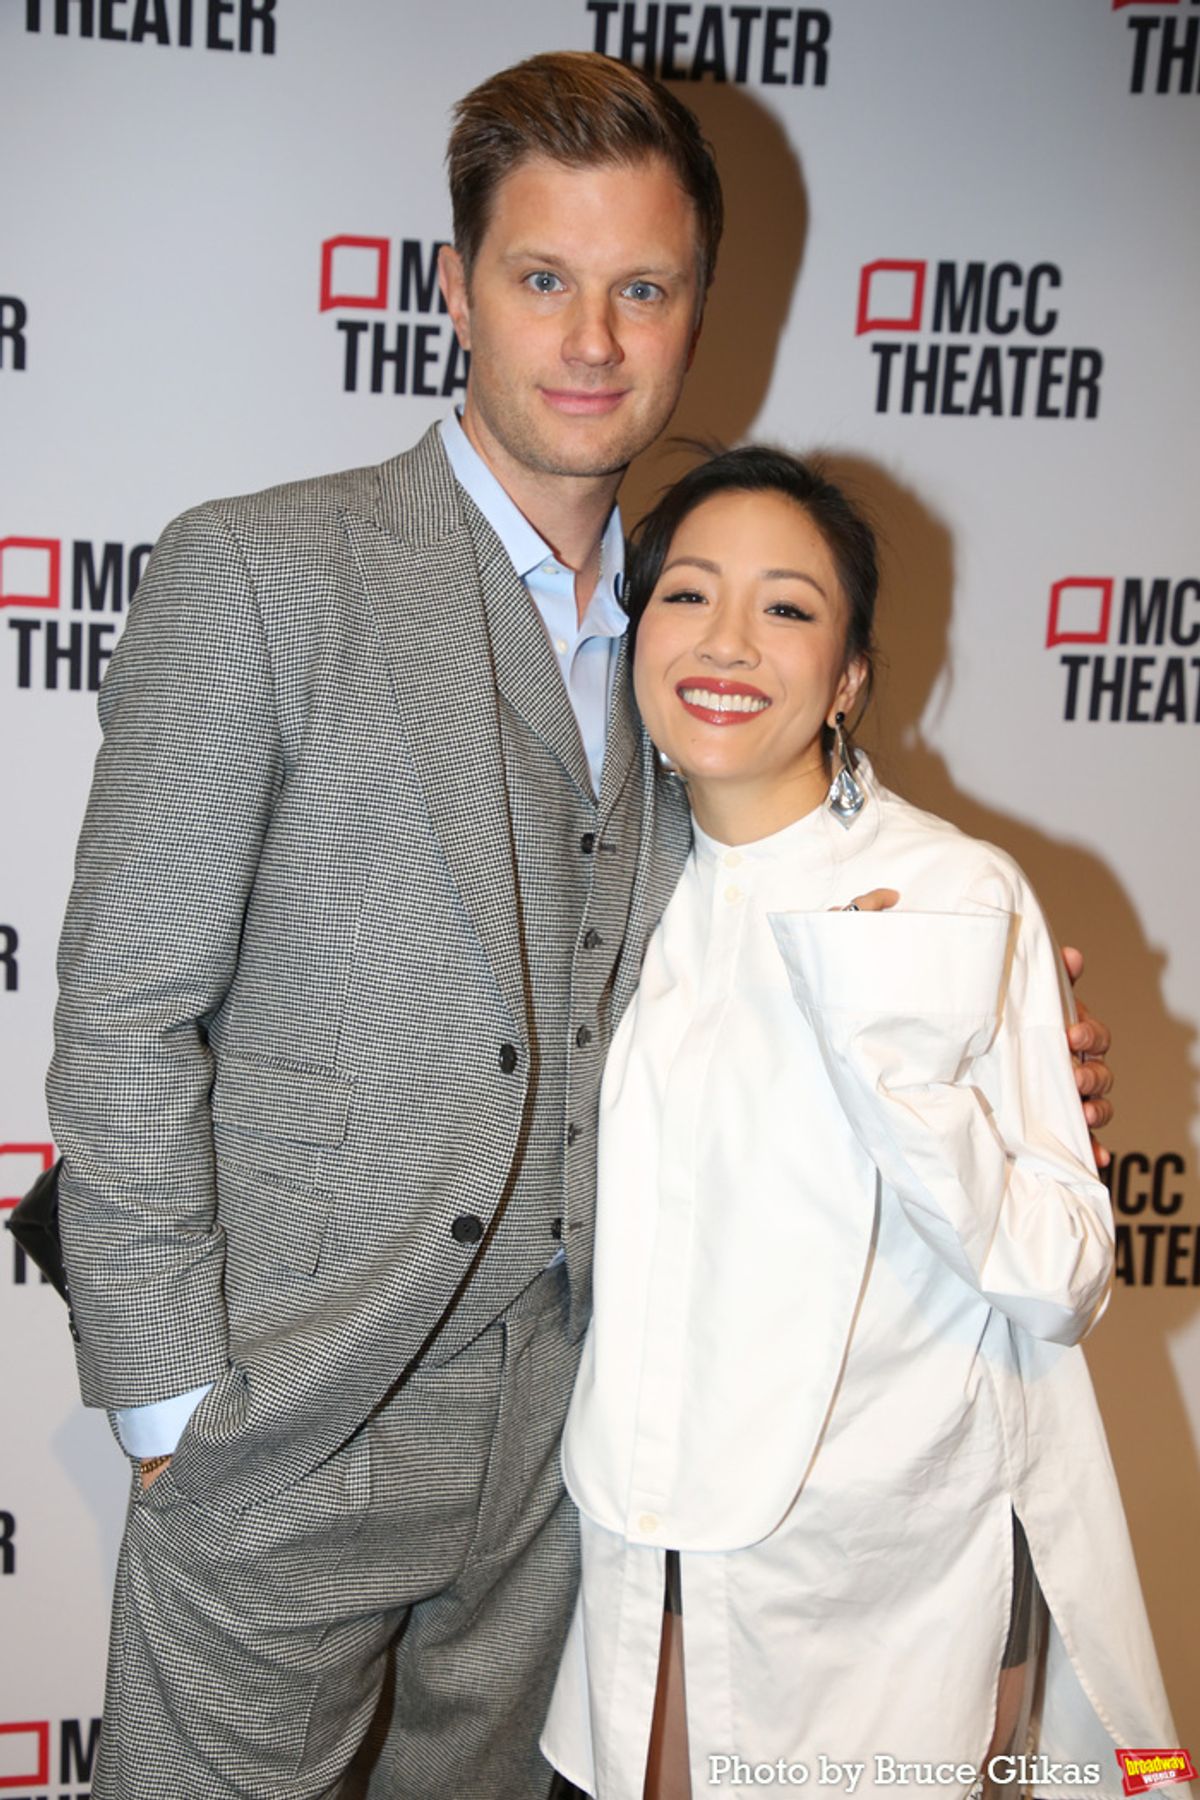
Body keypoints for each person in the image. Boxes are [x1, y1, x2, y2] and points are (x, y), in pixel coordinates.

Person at [45, 50, 1113, 1800]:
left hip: (577, 1466)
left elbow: (817, 942)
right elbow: (124, 1017)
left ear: (698, 313)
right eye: (544, 279)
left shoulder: (703, 649)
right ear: (454, 286)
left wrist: (1007, 1043)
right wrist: (172, 1417)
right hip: (284, 1433)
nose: (594, 341)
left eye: (644, 289)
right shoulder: (261, 571)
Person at [540, 448, 1172, 1800]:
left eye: (785, 609)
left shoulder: (951, 894)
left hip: (885, 1572)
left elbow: (1063, 1276)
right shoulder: (613, 885)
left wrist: (910, 1075)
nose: (725, 643)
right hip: (643, 1544)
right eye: (687, 596)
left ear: (850, 675)